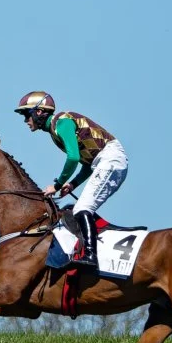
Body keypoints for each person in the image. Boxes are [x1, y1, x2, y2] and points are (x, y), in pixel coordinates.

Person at [14, 91, 128, 268]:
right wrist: (73, 184)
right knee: (80, 209)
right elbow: (87, 163)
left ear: (38, 112)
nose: (25, 121)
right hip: (104, 161)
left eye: (26, 115)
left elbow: (73, 157)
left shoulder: (62, 122)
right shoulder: (55, 128)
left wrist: (57, 185)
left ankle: (91, 256)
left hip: (110, 160)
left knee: (83, 208)